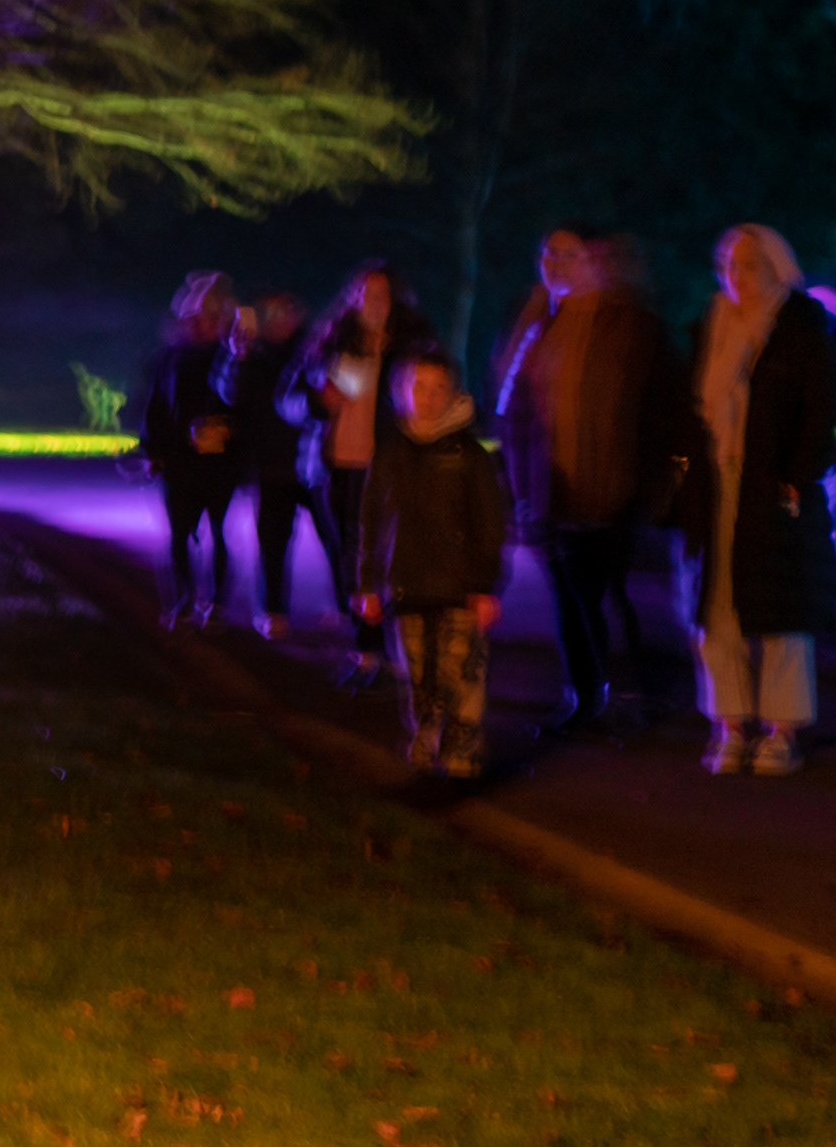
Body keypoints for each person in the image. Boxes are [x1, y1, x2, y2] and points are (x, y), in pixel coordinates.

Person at [492, 226, 679, 734]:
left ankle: (630, 694)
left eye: (569, 253)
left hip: (615, 490)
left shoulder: (632, 325)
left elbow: (663, 410)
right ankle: (584, 694)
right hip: (550, 490)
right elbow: (513, 411)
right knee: (568, 598)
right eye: (547, 251)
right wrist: (521, 488)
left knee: (610, 593)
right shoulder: (535, 324)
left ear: (594, 260)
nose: (555, 261)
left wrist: (655, 484)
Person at [682, 222, 836, 776]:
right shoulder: (714, 324)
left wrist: (795, 477)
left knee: (781, 612)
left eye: (749, 263)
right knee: (717, 612)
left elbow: (821, 414)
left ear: (777, 267)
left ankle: (782, 730)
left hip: (772, 490)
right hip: (720, 485)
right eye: (728, 263)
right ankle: (729, 725)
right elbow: (694, 411)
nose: (736, 274)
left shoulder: (799, 329)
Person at [282, 261, 436, 688]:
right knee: (346, 557)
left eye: (381, 293)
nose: (372, 302)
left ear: (397, 298)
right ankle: (367, 647)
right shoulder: (330, 339)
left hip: (387, 466)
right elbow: (287, 399)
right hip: (333, 467)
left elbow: (439, 395)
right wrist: (317, 402)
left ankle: (386, 645)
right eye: (364, 293)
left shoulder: (413, 343)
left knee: (384, 556)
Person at [354, 352, 507, 779]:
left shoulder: (471, 455)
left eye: (439, 387)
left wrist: (487, 586)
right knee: (418, 671)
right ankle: (426, 731)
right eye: (418, 386)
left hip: (462, 587)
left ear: (454, 392)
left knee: (463, 672)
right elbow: (371, 520)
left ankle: (463, 748)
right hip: (405, 585)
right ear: (400, 392)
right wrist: (367, 582)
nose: (428, 397)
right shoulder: (391, 453)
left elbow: (490, 524)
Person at [134, 273, 242, 629]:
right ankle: (182, 598)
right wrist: (152, 449)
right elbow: (156, 407)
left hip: (219, 461)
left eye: (210, 317)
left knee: (218, 530)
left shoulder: (230, 356)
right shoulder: (170, 357)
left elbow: (244, 404)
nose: (202, 323)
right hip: (179, 460)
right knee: (179, 534)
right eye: (196, 317)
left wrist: (228, 430)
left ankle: (218, 602)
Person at [230, 294, 313, 636]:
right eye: (270, 312)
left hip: (314, 462)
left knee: (340, 540)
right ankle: (272, 610)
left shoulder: (314, 348)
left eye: (286, 310)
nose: (279, 318)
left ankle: (346, 607)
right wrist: (238, 356)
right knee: (273, 543)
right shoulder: (253, 353)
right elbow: (231, 394)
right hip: (271, 464)